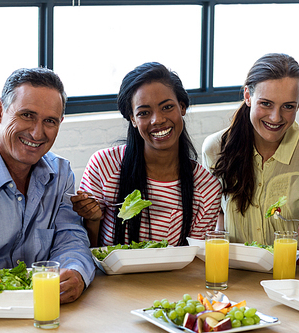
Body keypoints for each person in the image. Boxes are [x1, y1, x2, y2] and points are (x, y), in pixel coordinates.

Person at [72, 62, 222, 247]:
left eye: (167, 107)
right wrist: (92, 220)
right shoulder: (104, 165)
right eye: (144, 112)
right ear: (133, 119)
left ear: (182, 107)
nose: (157, 120)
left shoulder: (206, 189)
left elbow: (196, 262)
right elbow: (85, 252)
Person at [202, 53, 299, 251]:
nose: (276, 117)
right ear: (248, 96)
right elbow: (218, 217)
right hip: (233, 272)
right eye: (266, 103)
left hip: (291, 276)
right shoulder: (215, 148)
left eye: (288, 106)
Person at [0, 68, 95, 303]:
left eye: (49, 121)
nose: (37, 133)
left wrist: (76, 272)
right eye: (27, 115)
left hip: (45, 309)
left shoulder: (61, 173)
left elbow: (71, 238)